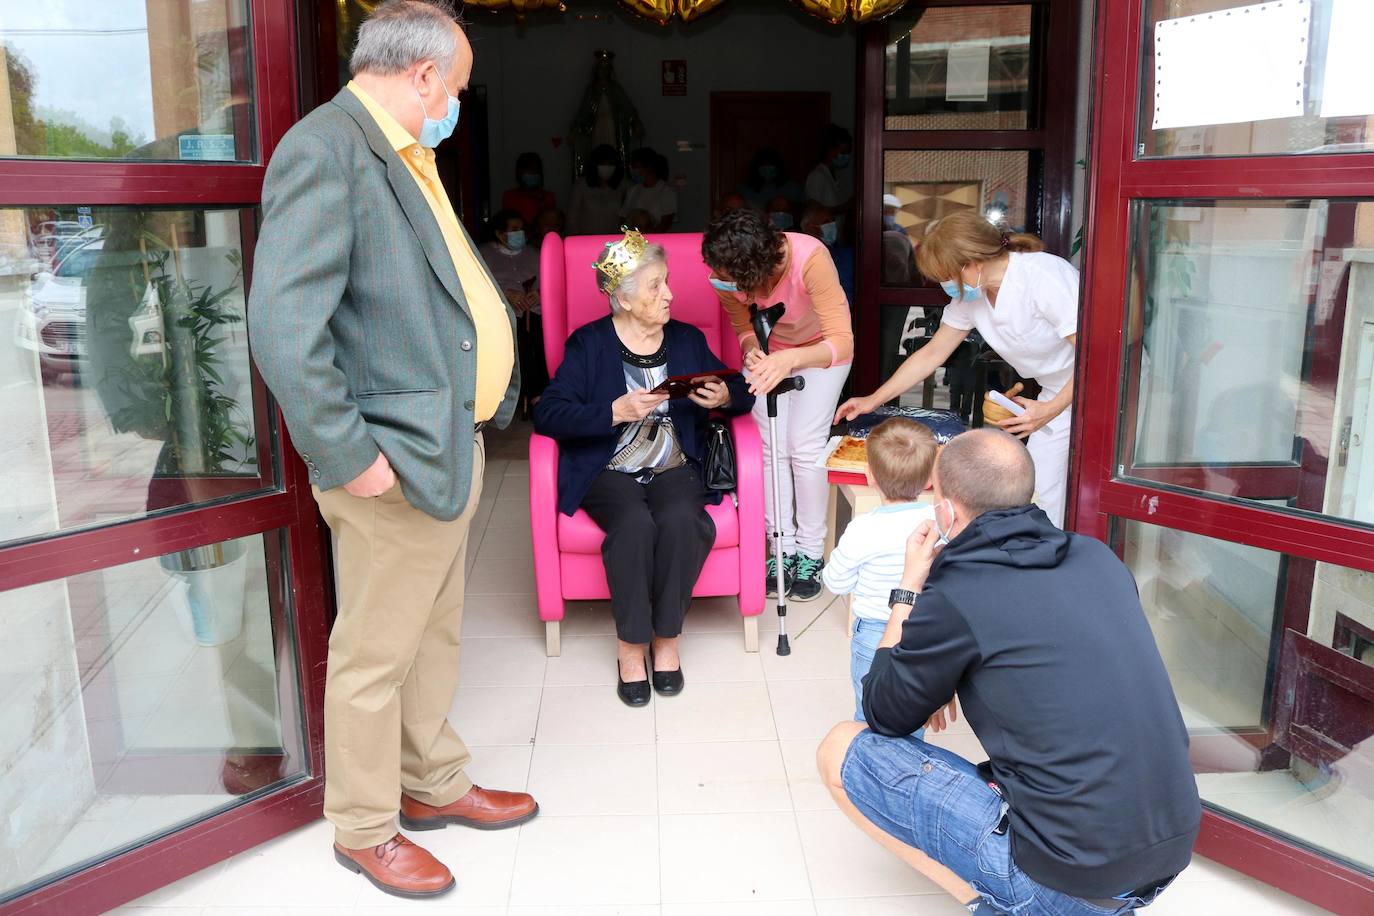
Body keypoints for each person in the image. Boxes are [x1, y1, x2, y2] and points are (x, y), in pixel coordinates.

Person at [247, 0, 536, 899]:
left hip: (445, 442)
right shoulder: (326, 148)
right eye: (453, 85)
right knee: (376, 653)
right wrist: (346, 453)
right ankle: (365, 829)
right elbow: (287, 328)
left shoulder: (409, 154)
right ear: (420, 77)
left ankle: (434, 782)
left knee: (432, 633)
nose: (455, 101)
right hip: (390, 460)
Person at [816, 428, 1200, 915]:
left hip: (1071, 879)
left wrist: (908, 589)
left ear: (948, 511)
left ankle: (1004, 904)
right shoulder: (1097, 558)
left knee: (841, 749)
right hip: (1169, 850)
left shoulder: (958, 590)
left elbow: (884, 712)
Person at [534, 230, 753, 707]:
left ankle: (666, 640)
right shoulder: (588, 344)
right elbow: (548, 413)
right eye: (656, 286)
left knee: (681, 522)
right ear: (624, 298)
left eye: (667, 282)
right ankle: (631, 647)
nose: (670, 294)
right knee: (633, 524)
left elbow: (739, 389)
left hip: (676, 462)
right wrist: (613, 412)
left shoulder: (686, 338)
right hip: (608, 467)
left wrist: (725, 396)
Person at [836, 210, 1079, 527]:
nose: (944, 285)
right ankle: (1045, 564)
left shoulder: (1043, 277)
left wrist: (1050, 409)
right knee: (1042, 488)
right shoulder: (971, 297)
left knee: (1090, 486)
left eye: (947, 276)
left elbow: (1093, 353)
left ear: (973, 263)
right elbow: (931, 354)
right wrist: (873, 399)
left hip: (1099, 379)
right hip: (1056, 388)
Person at [702, 208, 852, 602]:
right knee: (770, 445)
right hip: (773, 352)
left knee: (803, 444)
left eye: (736, 282)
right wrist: (752, 351)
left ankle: (809, 552)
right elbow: (743, 327)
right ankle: (780, 549)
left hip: (822, 352)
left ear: (759, 274)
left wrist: (788, 360)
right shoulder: (723, 273)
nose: (724, 284)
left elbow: (842, 341)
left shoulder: (810, 258)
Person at [821, 418, 938, 721]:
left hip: (875, 632)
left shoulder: (864, 528)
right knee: (914, 711)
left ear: (869, 475)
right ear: (929, 480)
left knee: (871, 709)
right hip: (925, 631)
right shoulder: (937, 524)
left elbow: (835, 580)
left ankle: (872, 763)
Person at [479, 209, 546, 410]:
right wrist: (504, 294)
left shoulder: (536, 253)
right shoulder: (484, 254)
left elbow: (552, 281)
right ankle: (532, 395)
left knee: (543, 344)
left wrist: (540, 293)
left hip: (535, 312)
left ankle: (546, 394)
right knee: (521, 346)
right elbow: (479, 284)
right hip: (503, 315)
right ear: (500, 234)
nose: (520, 234)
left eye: (522, 229)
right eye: (514, 229)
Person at [569, 144, 627, 235]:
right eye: (603, 164)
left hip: (613, 242)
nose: (607, 167)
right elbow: (573, 217)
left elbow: (626, 216)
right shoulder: (581, 185)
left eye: (610, 164)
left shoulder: (622, 185)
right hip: (586, 241)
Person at [622, 147, 677, 232]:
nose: (634, 171)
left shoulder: (666, 191)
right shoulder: (632, 190)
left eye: (637, 167)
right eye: (633, 167)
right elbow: (623, 218)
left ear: (649, 167)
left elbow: (665, 224)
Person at [805, 124, 853, 216]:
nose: (847, 156)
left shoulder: (831, 175)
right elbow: (813, 211)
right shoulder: (817, 176)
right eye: (843, 152)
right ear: (830, 150)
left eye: (848, 152)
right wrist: (845, 206)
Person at [739, 147, 803, 213]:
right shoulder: (746, 191)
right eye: (763, 165)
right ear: (756, 168)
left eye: (771, 165)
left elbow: (803, 210)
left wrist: (788, 206)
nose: (767, 169)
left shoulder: (793, 188)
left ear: (779, 167)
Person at [500, 151, 556, 226]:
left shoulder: (548, 197)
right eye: (528, 170)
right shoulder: (509, 196)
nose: (532, 173)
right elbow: (507, 224)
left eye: (535, 170)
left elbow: (551, 224)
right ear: (519, 172)